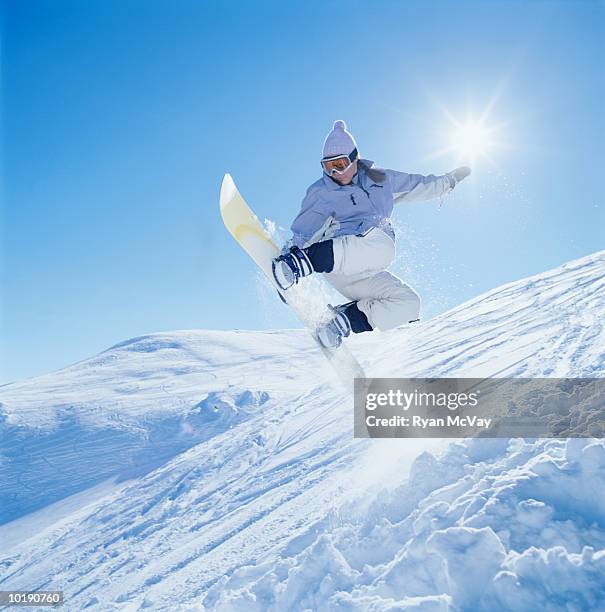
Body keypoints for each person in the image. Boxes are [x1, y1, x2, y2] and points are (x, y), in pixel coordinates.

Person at [272, 120, 471, 348]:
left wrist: (449, 181)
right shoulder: (322, 192)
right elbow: (304, 231)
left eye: (340, 164)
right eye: (328, 167)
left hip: (365, 271)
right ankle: (304, 262)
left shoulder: (382, 180)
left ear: (355, 157)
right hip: (338, 263)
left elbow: (419, 185)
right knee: (385, 247)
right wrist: (288, 268)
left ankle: (341, 322)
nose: (335, 172)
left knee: (408, 303)